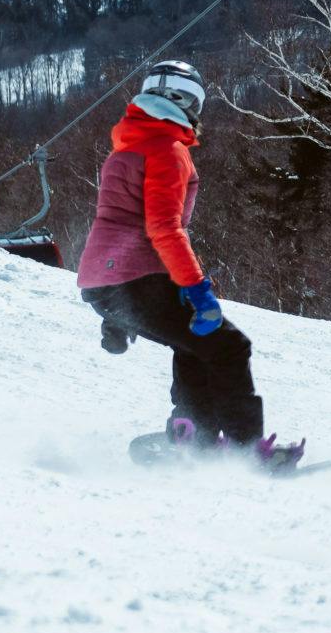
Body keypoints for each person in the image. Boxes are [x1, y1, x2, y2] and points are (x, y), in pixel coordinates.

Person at [76, 60, 300, 470]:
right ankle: (247, 450)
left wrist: (118, 316)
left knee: (197, 345)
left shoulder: (127, 147)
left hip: (106, 281)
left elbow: (115, 223)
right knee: (230, 346)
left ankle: (192, 432)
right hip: (138, 277)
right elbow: (163, 227)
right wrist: (198, 291)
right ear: (188, 101)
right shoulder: (167, 149)